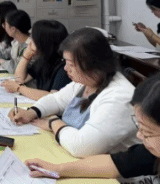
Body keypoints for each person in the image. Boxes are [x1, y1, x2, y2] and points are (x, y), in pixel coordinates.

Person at [9, 28, 139, 158]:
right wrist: (31, 112)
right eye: (65, 62)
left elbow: (82, 147)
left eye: (71, 64)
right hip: (73, 154)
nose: (66, 68)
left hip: (110, 168)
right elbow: (57, 100)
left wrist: (53, 122)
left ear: (92, 64)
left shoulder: (120, 97)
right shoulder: (86, 80)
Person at [25, 73, 160, 184]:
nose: (139, 136)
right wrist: (57, 170)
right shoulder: (150, 153)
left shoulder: (118, 94)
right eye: (139, 127)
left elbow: (83, 147)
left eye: (147, 132)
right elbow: (111, 164)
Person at [2, 20, 71, 101]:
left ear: (43, 43)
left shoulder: (64, 67)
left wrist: (18, 88)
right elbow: (20, 78)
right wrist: (26, 56)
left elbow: (53, 97)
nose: (30, 41)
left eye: (33, 38)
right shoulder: (43, 60)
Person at [0, 9, 32, 74]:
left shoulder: (30, 45)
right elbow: (4, 54)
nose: (4, 27)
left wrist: (3, 62)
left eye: (5, 25)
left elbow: (17, 67)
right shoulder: (17, 41)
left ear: (13, 29)